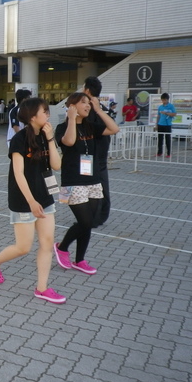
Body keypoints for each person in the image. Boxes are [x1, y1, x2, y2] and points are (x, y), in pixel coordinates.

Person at [0, 97, 65, 304]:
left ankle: (42, 288)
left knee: (46, 243)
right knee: (24, 247)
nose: (47, 114)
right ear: (32, 116)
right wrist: (30, 201)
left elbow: (56, 165)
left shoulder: (46, 136)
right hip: (23, 199)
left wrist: (50, 139)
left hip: (45, 196)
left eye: (47, 111)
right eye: (44, 111)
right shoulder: (19, 140)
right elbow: (18, 173)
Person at [54, 92, 119, 275]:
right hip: (72, 181)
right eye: (83, 103)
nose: (87, 106)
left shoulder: (91, 126)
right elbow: (69, 141)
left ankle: (80, 260)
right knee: (86, 221)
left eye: (89, 103)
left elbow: (114, 129)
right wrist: (72, 119)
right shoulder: (62, 127)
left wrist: (98, 110)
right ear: (72, 106)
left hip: (93, 179)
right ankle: (62, 247)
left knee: (88, 223)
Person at [82, 76, 111, 227]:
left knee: (91, 186)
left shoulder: (88, 110)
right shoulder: (103, 109)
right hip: (101, 153)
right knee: (100, 186)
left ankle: (94, 217)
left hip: (90, 154)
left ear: (87, 90)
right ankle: (98, 216)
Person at [156, 92, 176, 157]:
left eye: (164, 100)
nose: (163, 101)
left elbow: (174, 114)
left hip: (167, 125)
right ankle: (159, 152)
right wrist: (156, 124)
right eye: (162, 100)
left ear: (167, 99)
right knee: (160, 139)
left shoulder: (171, 106)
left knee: (167, 139)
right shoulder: (160, 107)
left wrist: (166, 113)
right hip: (160, 124)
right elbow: (158, 116)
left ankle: (168, 153)